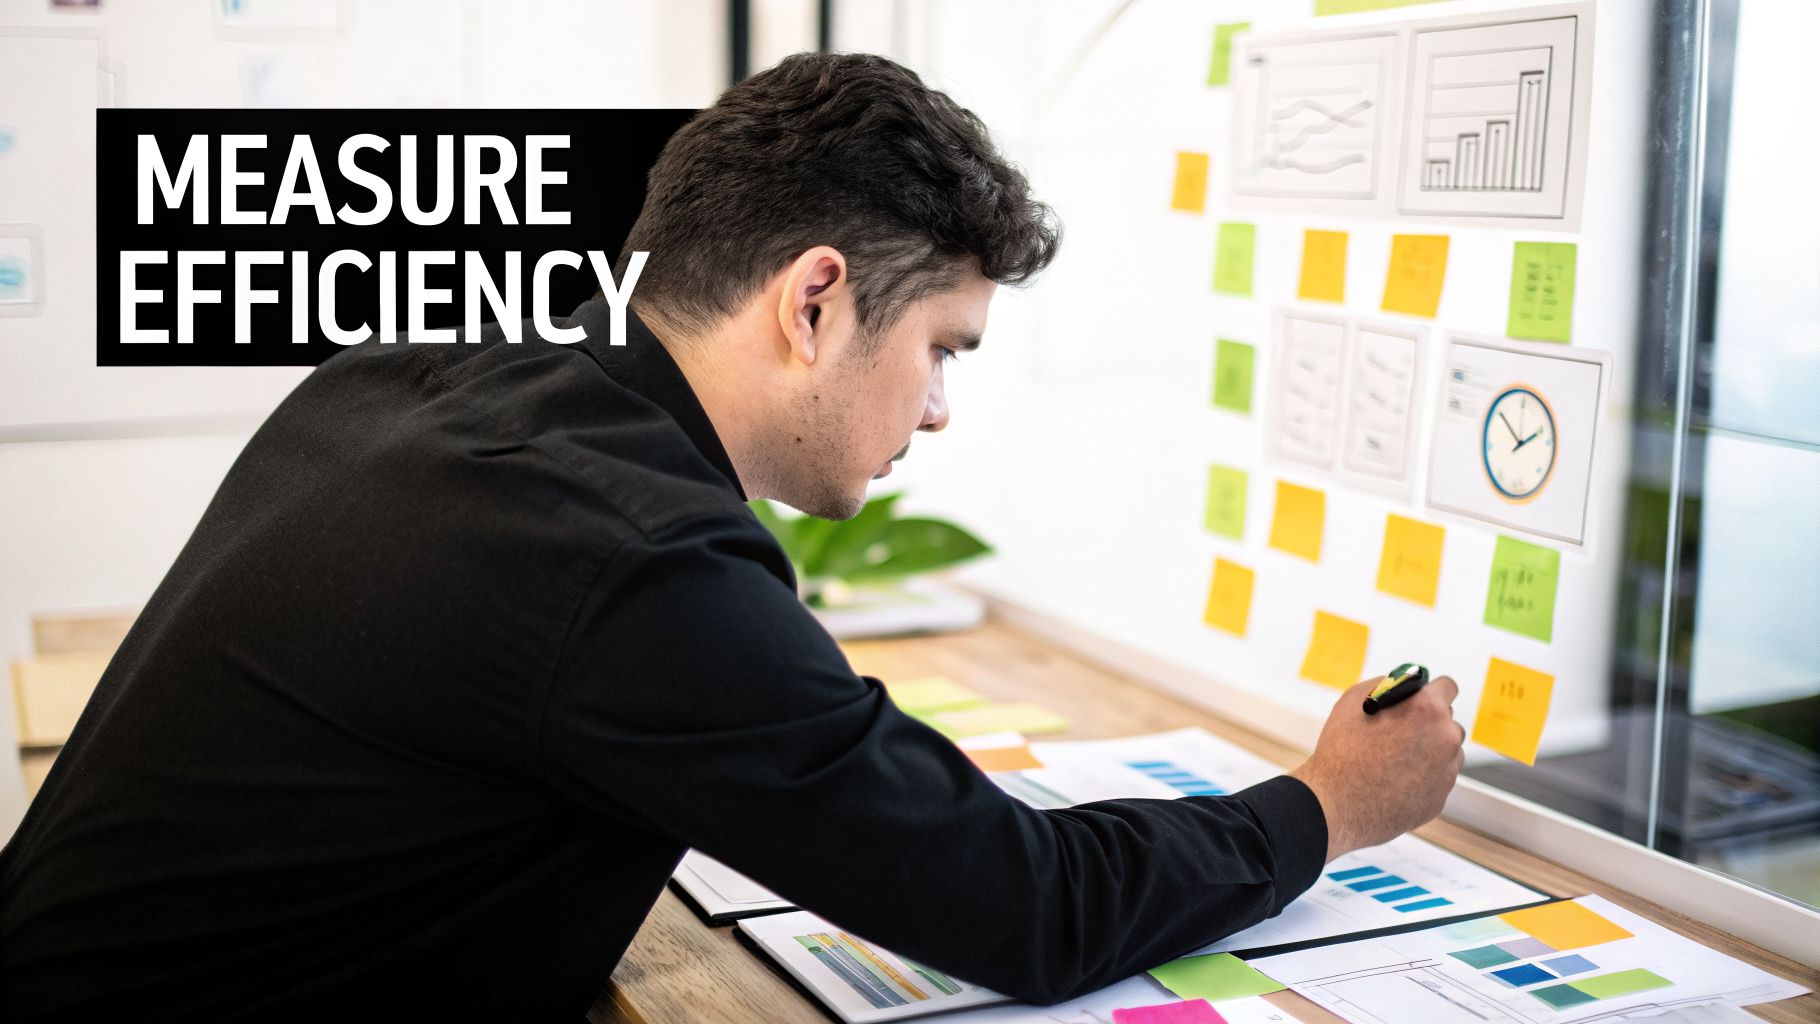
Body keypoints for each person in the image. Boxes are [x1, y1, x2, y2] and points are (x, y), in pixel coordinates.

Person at [0, 52, 1464, 1020]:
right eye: (943, 348)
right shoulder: (625, 555)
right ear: (814, 299)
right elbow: (1023, 907)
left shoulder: (425, 381)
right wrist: (1328, 804)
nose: (940, 410)